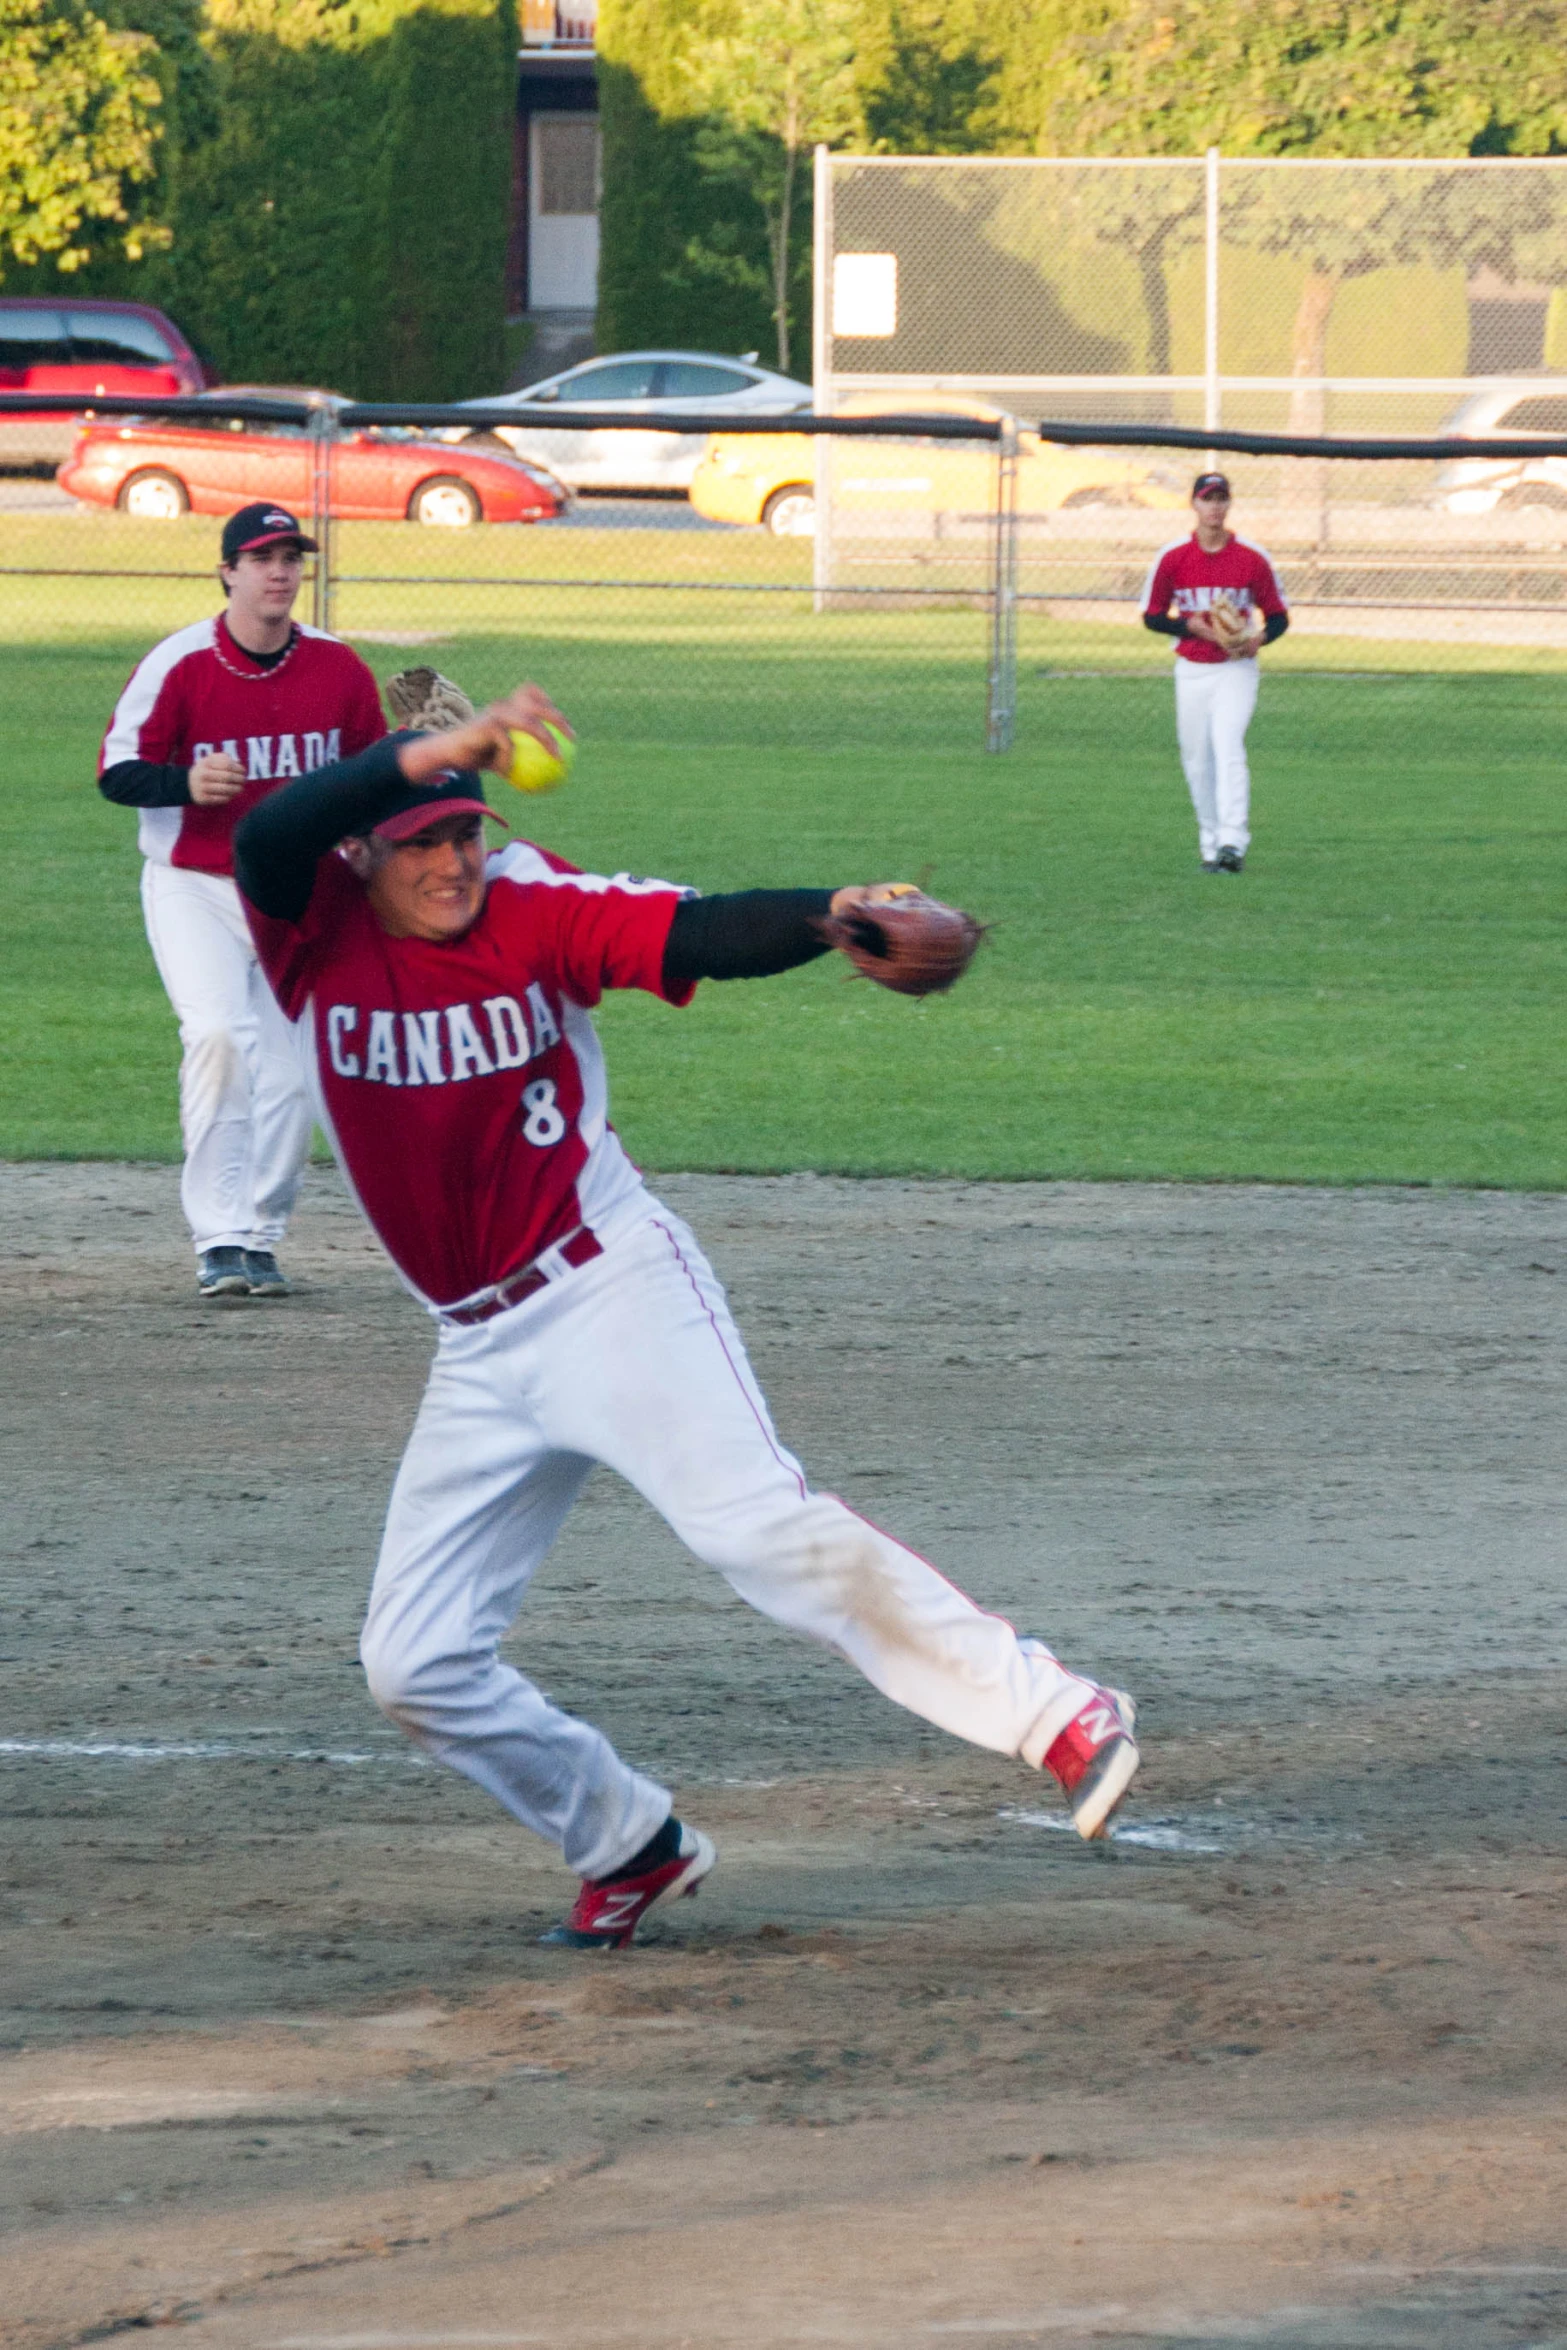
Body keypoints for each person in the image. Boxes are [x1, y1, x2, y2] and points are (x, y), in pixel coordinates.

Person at [231, 687, 1144, 1950]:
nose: (453, 863)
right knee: (415, 1665)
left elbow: (694, 931)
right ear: (362, 855)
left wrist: (826, 920)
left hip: (607, 1288)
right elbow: (267, 832)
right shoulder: (307, 932)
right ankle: (629, 1843)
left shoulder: (532, 907)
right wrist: (431, 749)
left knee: (755, 1528)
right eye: (423, 840)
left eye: (467, 835)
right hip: (480, 1348)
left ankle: (1056, 1714)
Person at [98, 503, 385, 1297]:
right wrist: (183, 782)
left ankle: (257, 1235)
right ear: (227, 570)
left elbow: (369, 780)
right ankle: (218, 1237)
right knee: (221, 1035)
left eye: (292, 558)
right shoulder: (180, 663)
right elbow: (115, 770)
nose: (280, 572)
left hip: (296, 896)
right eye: (262, 558)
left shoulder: (338, 668)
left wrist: (409, 785)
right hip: (194, 885)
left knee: (295, 1073)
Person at [1141, 471, 1289, 874]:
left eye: (1222, 498)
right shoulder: (1173, 558)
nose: (1215, 506)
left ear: (1230, 505)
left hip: (1236, 668)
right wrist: (1189, 625)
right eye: (1208, 499)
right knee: (1196, 759)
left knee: (1228, 747)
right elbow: (1152, 617)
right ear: (1194, 504)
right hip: (1191, 668)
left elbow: (1278, 617)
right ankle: (1210, 843)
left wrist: (1258, 639)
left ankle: (1232, 841)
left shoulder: (1252, 558)